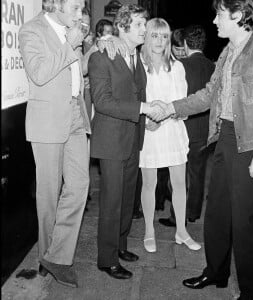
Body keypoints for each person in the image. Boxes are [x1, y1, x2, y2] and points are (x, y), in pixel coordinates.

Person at [151, 0, 253, 299]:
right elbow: (208, 95)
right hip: (225, 137)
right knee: (217, 211)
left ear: (238, 15)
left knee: (244, 219)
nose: (214, 20)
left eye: (219, 14)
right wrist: (171, 108)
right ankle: (216, 272)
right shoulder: (227, 52)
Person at [88, 4, 164, 280]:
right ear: (122, 26)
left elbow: (135, 92)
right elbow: (103, 102)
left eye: (146, 24)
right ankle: (106, 259)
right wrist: (142, 108)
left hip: (132, 137)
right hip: (111, 140)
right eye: (140, 24)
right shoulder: (101, 56)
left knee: (127, 198)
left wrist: (149, 118)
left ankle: (119, 246)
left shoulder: (135, 57)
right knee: (111, 201)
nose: (146, 29)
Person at [18, 0, 90, 288]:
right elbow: (38, 73)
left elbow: (79, 71)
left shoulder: (73, 30)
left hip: (75, 113)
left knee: (80, 184)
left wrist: (95, 48)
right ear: (54, 5)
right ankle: (46, 256)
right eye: (74, 8)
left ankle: (57, 256)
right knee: (49, 194)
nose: (80, 14)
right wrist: (69, 44)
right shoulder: (31, 30)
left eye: (81, 8)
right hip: (48, 118)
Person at [139, 18, 201, 253]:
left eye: (164, 36)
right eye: (155, 35)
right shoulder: (138, 65)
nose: (160, 41)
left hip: (171, 130)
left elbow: (180, 102)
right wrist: (147, 120)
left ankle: (181, 232)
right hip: (148, 132)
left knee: (179, 184)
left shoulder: (176, 66)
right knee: (149, 184)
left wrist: (162, 118)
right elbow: (134, 99)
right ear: (147, 37)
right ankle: (148, 231)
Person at [159, 24, 215, 227]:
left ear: (184, 43)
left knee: (179, 175)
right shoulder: (213, 66)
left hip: (183, 126)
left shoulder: (180, 66)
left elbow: (175, 96)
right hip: (204, 128)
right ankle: (193, 213)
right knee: (197, 173)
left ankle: (177, 216)